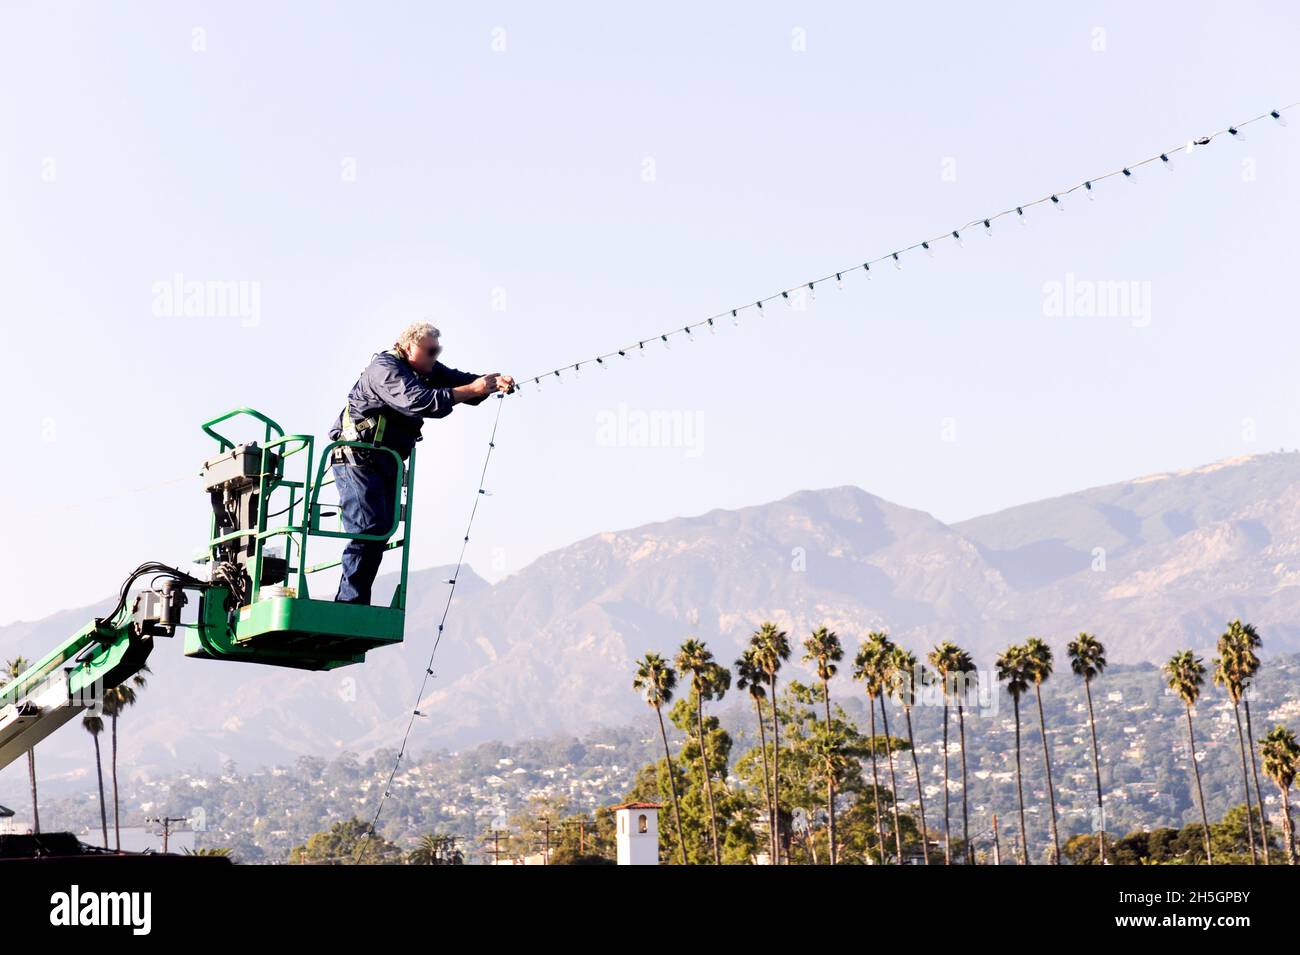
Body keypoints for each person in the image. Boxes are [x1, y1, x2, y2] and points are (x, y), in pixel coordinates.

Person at [328, 321, 513, 604]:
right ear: (408, 346)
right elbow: (419, 401)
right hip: (358, 458)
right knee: (368, 529)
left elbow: (457, 380)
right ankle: (349, 604)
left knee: (381, 531)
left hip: (384, 460)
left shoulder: (423, 368)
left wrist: (489, 383)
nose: (435, 356)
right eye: (430, 351)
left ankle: (354, 602)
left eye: (438, 350)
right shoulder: (386, 369)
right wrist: (472, 389)